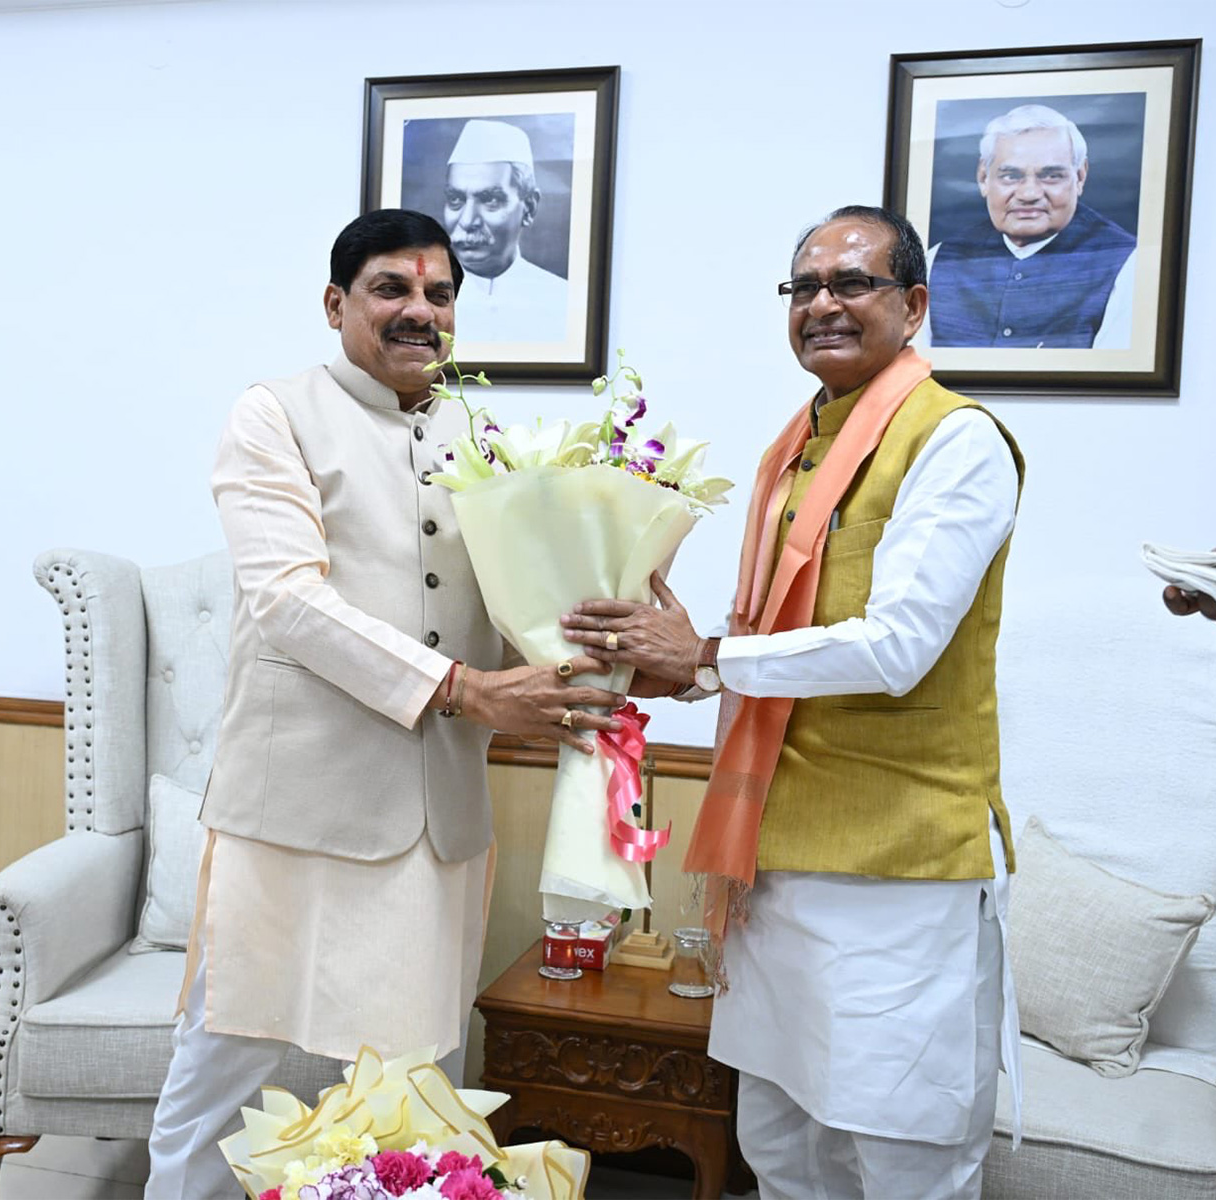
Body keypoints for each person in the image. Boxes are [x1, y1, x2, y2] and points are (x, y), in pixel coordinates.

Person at [144, 208, 625, 1200]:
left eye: (439, 294)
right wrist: (464, 688)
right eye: (392, 290)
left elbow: (520, 598)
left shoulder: (481, 434)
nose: (420, 312)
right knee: (218, 1071)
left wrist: (621, 626)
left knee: (422, 1087)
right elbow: (285, 600)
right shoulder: (274, 414)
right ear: (336, 304)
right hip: (296, 812)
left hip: (433, 823)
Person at [561, 205, 1026, 1199]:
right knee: (780, 1149)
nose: (823, 303)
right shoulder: (795, 452)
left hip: (891, 875)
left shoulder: (955, 443)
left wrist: (711, 656)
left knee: (900, 1154)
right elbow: (764, 645)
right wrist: (674, 668)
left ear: (913, 304)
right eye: (804, 286)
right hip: (769, 862)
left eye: (851, 283)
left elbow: (897, 647)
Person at [919, 103, 1137, 350]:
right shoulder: (938, 261)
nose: (1029, 193)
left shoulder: (1128, 265)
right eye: (1011, 176)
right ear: (983, 178)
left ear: (1079, 177)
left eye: (1051, 176)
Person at [440, 118, 568, 343]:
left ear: (529, 207)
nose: (468, 221)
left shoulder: (564, 300)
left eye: (489, 200)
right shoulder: (421, 304)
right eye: (456, 199)